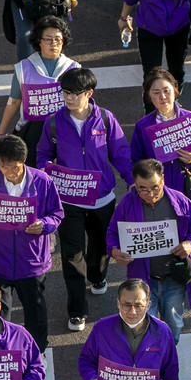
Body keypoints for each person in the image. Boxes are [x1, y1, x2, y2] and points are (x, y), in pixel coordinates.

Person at [36, 67, 133, 331]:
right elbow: (43, 154)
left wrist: (133, 181)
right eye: (64, 92)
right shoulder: (54, 122)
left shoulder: (106, 119)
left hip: (103, 199)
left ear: (89, 94)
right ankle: (77, 310)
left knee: (100, 248)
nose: (68, 98)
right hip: (68, 202)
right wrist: (47, 170)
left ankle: (98, 276)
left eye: (74, 93)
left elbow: (121, 154)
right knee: (71, 255)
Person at [0, 135, 64, 353]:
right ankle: (2, 353)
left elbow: (57, 214)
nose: (10, 173)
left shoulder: (43, 181)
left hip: (32, 262)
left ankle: (38, 352)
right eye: (4, 167)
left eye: (15, 167)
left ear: (24, 160)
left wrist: (44, 224)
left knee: (35, 312)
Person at [107, 159, 191, 342]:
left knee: (173, 324)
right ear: (135, 185)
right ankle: (152, 363)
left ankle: (168, 357)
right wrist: (114, 251)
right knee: (145, 326)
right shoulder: (128, 203)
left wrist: (190, 244)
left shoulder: (179, 200)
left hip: (174, 277)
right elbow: (113, 232)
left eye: (154, 187)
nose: (150, 194)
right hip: (143, 279)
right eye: (142, 189)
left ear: (162, 179)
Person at [0, 16, 80, 158]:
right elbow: (14, 102)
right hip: (31, 133)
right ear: (39, 41)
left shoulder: (74, 68)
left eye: (58, 39)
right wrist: (2, 132)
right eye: (48, 39)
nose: (54, 43)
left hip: (65, 132)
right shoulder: (23, 68)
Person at [130, 67, 191, 196]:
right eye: (156, 92)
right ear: (149, 97)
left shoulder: (189, 119)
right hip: (156, 194)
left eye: (166, 91)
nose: (162, 97)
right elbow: (135, 160)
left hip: (187, 190)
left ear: (175, 91)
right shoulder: (142, 126)